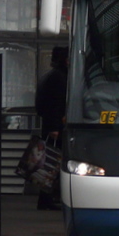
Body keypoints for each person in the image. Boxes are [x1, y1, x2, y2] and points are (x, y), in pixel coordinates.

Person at [35, 46, 68, 210]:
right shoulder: (60, 78)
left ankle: (46, 197)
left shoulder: (50, 76)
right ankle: (47, 198)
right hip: (55, 127)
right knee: (53, 162)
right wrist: (55, 127)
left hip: (50, 125)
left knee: (48, 161)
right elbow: (55, 104)